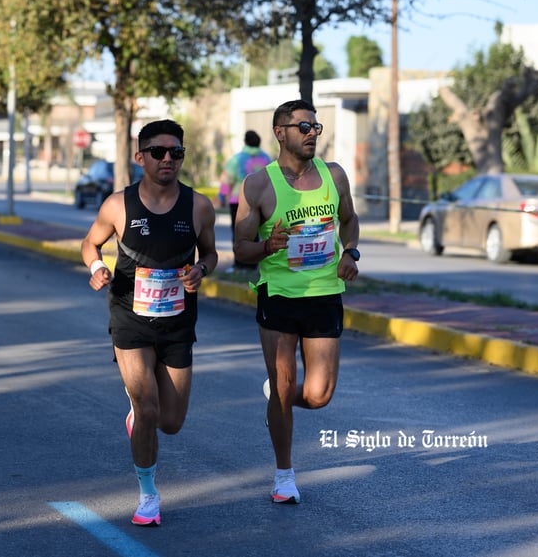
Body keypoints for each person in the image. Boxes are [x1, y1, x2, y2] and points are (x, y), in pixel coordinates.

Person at [80, 119, 218, 526]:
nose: (167, 160)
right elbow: (91, 242)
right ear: (140, 157)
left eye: (176, 152)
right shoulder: (118, 205)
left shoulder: (198, 206)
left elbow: (210, 254)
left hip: (177, 321)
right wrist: (96, 266)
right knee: (147, 405)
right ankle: (148, 495)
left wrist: (201, 271)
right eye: (158, 152)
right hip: (130, 318)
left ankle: (142, 417)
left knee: (171, 422)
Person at [233, 99, 360, 504]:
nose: (311, 133)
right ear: (280, 132)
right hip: (280, 296)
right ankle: (284, 475)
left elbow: (349, 220)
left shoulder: (334, 175)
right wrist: (267, 245)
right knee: (286, 383)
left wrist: (349, 253)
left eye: (315, 127)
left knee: (319, 394)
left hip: (324, 294)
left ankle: (279, 396)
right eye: (303, 126)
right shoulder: (258, 185)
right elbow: (239, 249)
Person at [219, 130, 270, 271]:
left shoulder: (237, 159)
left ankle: (239, 264)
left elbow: (226, 178)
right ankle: (254, 264)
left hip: (238, 200)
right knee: (256, 234)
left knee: (238, 234)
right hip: (261, 201)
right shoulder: (266, 158)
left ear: (245, 142)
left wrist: (222, 196)